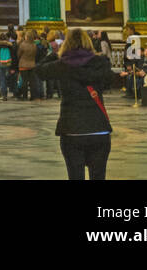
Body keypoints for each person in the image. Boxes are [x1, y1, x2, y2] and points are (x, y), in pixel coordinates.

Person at [36, 27, 113, 181]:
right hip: (98, 128)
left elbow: (39, 71)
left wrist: (55, 54)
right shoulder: (100, 62)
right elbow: (109, 81)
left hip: (72, 129)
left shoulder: (62, 65)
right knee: (98, 176)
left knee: (75, 176)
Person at [17, 26, 39, 100]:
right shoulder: (34, 45)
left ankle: (25, 96)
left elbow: (18, 55)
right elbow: (36, 55)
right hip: (32, 65)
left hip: (23, 65)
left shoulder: (22, 45)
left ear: (27, 37)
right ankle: (33, 96)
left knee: (24, 81)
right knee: (32, 82)